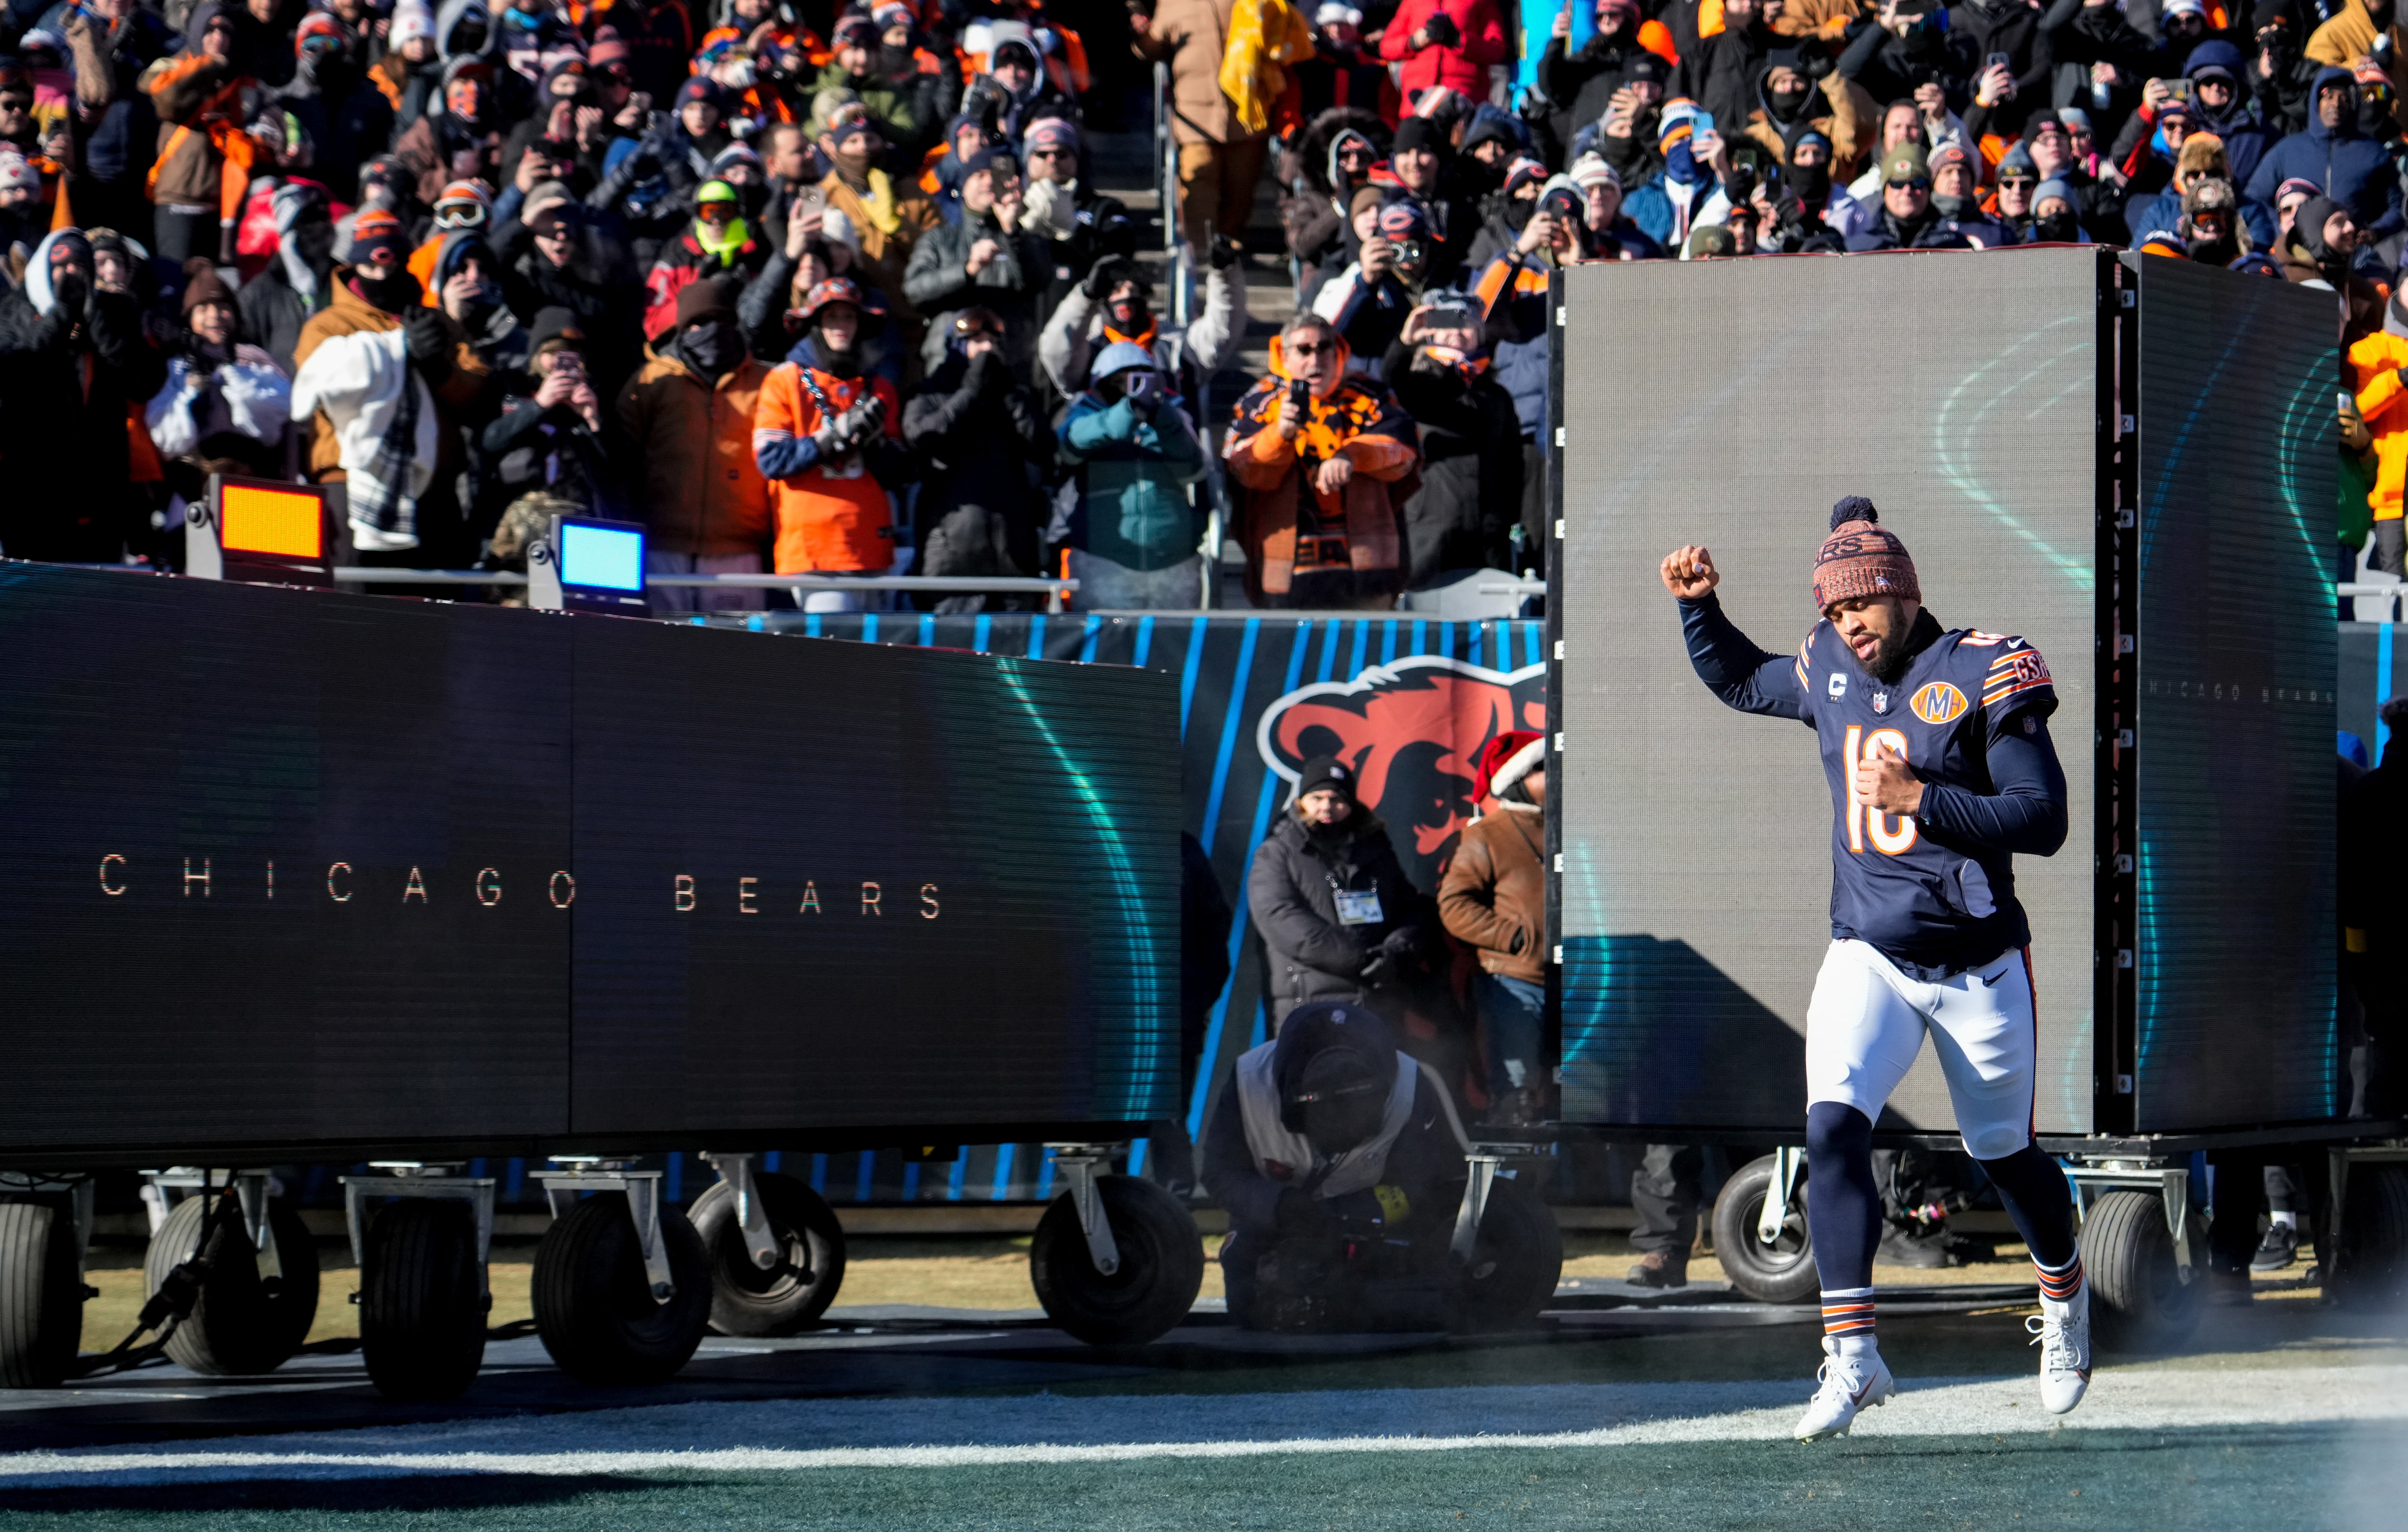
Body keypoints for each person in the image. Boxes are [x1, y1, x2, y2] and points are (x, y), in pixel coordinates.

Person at [1660, 497, 2086, 1440]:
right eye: (1835, 609)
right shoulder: (1825, 664)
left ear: (1902, 593)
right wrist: (1699, 610)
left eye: (1863, 603)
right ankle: (1853, 1359)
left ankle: (2062, 1301)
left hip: (1975, 964)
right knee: (1831, 1132)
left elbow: (2043, 817)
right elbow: (1741, 681)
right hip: (1868, 953)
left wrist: (1921, 800)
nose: (1848, 623)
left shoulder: (1982, 667)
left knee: (2001, 1155)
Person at [1201, 1001, 1467, 1332]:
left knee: (1403, 1304)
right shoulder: (1248, 1082)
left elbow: (1419, 1183)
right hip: (1271, 1217)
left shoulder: (1410, 1087)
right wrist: (1279, 1205)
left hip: (1368, 1224)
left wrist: (1351, 1216)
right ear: (1298, 1105)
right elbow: (1219, 1173)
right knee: (1248, 1308)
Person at [291, 206, 494, 565]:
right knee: (359, 607)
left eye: (393, 262)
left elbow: (479, 395)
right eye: (372, 266)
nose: (383, 273)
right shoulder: (327, 325)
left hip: (434, 486)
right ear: (355, 266)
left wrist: (436, 368)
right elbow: (323, 386)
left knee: (437, 611)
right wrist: (398, 351)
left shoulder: (438, 323)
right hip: (350, 482)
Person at [1225, 313, 1420, 609]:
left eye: (1324, 347)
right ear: (1285, 356)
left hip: (1368, 566)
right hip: (1287, 568)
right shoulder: (1259, 403)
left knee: (1368, 650)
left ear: (1338, 350)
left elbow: (1404, 451)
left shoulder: (1371, 395)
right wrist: (1280, 436)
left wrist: (1352, 456)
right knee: (1293, 652)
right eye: (1304, 350)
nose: (1315, 358)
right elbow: (1243, 470)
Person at [0, 228, 169, 562]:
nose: (73, 274)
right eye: (62, 266)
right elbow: (20, 369)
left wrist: (97, 320)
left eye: (81, 265)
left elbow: (145, 381)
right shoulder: (14, 312)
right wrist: (63, 313)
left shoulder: (115, 313)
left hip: (101, 491)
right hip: (33, 490)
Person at [751, 274, 911, 611]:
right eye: (832, 317)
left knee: (879, 658)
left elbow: (899, 472)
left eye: (849, 316)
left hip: (874, 548)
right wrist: (831, 436)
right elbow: (771, 460)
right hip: (814, 553)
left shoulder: (880, 388)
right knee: (836, 658)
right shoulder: (784, 380)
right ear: (815, 323)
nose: (842, 326)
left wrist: (876, 443)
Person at [1246, 753, 1439, 1028]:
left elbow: (1411, 910)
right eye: (1317, 798)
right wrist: (1359, 958)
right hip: (1311, 1008)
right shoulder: (1278, 852)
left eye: (1338, 799)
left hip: (1378, 1004)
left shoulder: (1377, 851)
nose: (1327, 807)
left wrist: (1395, 955)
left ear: (1352, 805)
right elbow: (1278, 917)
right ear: (1301, 802)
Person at [618, 276, 773, 615]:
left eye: (721, 321)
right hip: (663, 547)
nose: (711, 331)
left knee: (733, 656)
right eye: (699, 323)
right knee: (662, 648)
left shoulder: (765, 382)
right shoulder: (651, 381)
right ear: (682, 328)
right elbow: (622, 458)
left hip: (739, 550)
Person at [903, 305, 1054, 612]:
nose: (987, 349)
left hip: (1012, 557)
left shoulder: (1015, 395)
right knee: (950, 656)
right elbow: (923, 438)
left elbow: (1043, 447)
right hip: (952, 561)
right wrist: (970, 391)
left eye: (993, 342)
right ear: (956, 347)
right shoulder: (929, 394)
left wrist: (1010, 395)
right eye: (977, 341)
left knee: (1016, 658)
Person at [1439, 730, 1547, 1122]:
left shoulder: (1577, 828)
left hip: (1580, 982)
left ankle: (1582, 1183)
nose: (1559, 776)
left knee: (1585, 1093)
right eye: (1544, 768)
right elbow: (1453, 905)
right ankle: (1510, 1181)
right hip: (1515, 983)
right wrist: (1514, 937)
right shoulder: (1486, 835)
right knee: (1515, 1094)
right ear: (1518, 779)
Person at [1055, 339, 1210, 610]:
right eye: (1120, 380)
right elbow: (1069, 447)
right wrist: (1126, 412)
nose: (1131, 385)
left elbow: (1194, 469)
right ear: (1102, 381)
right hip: (1103, 561)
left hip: (1173, 561)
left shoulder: (1174, 413)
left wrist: (1162, 417)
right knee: (1103, 650)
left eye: (1142, 378)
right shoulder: (1083, 412)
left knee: (1174, 650)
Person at [1383, 293, 1522, 587]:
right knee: (1423, 620)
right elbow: (1392, 382)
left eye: (1467, 323)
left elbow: (1512, 464)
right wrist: (1407, 342)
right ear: (1431, 330)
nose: (1456, 332)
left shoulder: (1497, 396)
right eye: (1446, 322)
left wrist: (1504, 516)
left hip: (1487, 529)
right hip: (1430, 525)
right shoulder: (1416, 384)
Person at [1131, 0, 1268, 255]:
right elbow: (1153, 49)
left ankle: (1228, 254)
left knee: (1241, 189)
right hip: (1194, 117)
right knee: (1197, 181)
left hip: (1248, 115)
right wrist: (1142, 35)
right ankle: (1199, 257)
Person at [902, 148, 1045, 371]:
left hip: (1009, 363)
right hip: (947, 360)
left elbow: (1039, 281)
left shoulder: (1023, 237)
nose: (988, 182)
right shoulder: (939, 238)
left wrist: (1012, 231)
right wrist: (967, 270)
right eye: (979, 176)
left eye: (994, 176)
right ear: (963, 188)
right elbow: (914, 291)